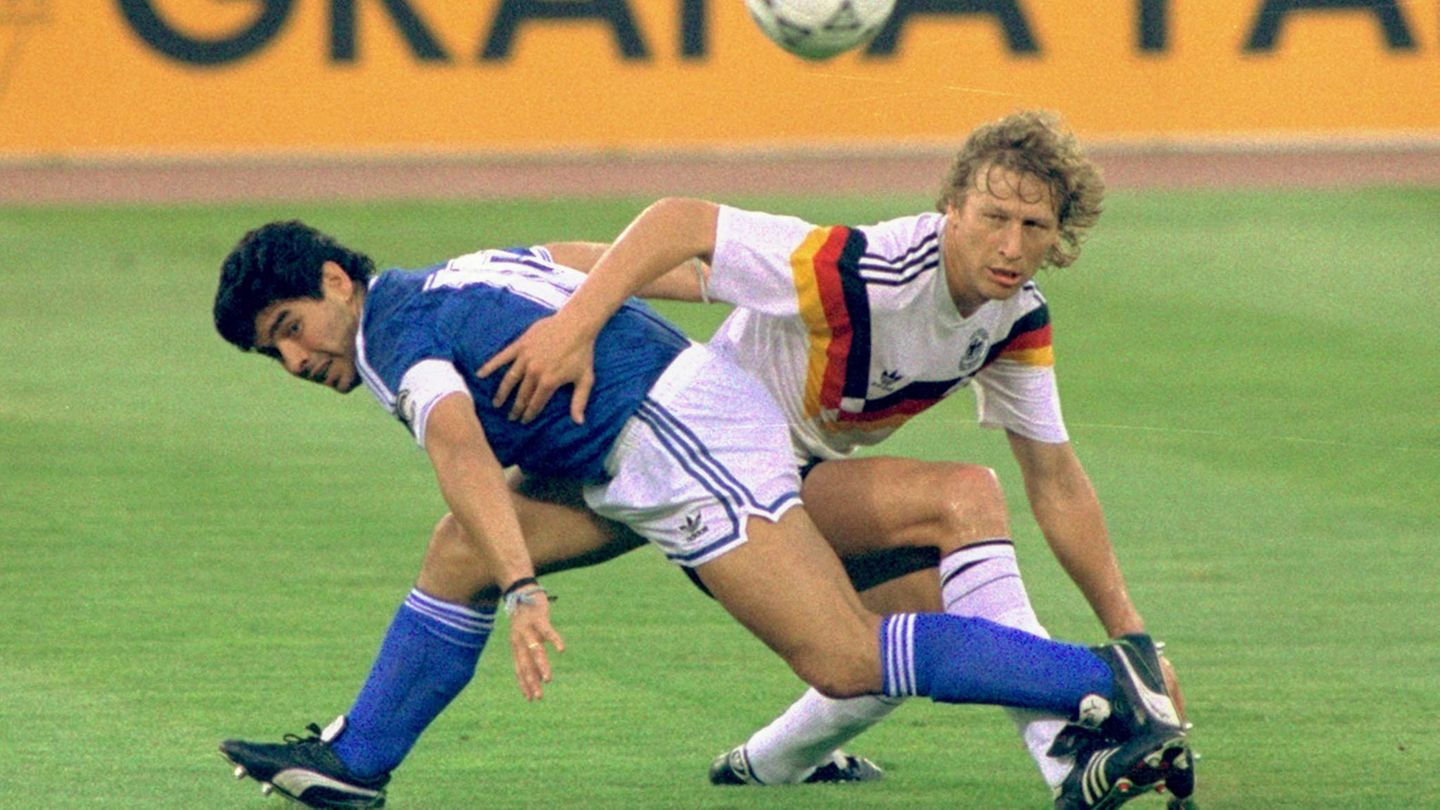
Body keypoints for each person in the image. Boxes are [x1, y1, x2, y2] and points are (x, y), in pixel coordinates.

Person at [210, 218, 1189, 809]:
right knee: (458, 548)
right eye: (271, 353)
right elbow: (592, 262)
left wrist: (524, 588)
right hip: (645, 438)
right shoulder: (454, 276)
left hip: (673, 442)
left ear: (335, 283)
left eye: (291, 329)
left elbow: (458, 446)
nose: (294, 359)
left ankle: (1109, 684)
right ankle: (356, 762)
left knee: (845, 656)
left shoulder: (392, 332)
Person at [476, 109, 1194, 807]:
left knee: (922, 626)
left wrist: (1132, 638)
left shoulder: (1015, 318)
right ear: (951, 208)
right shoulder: (866, 271)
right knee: (965, 499)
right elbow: (681, 224)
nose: (1010, 245)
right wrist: (567, 322)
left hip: (784, 490)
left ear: (1058, 235)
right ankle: (1066, 755)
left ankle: (769, 763)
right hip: (719, 487)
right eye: (993, 217)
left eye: (1033, 226)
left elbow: (1057, 481)